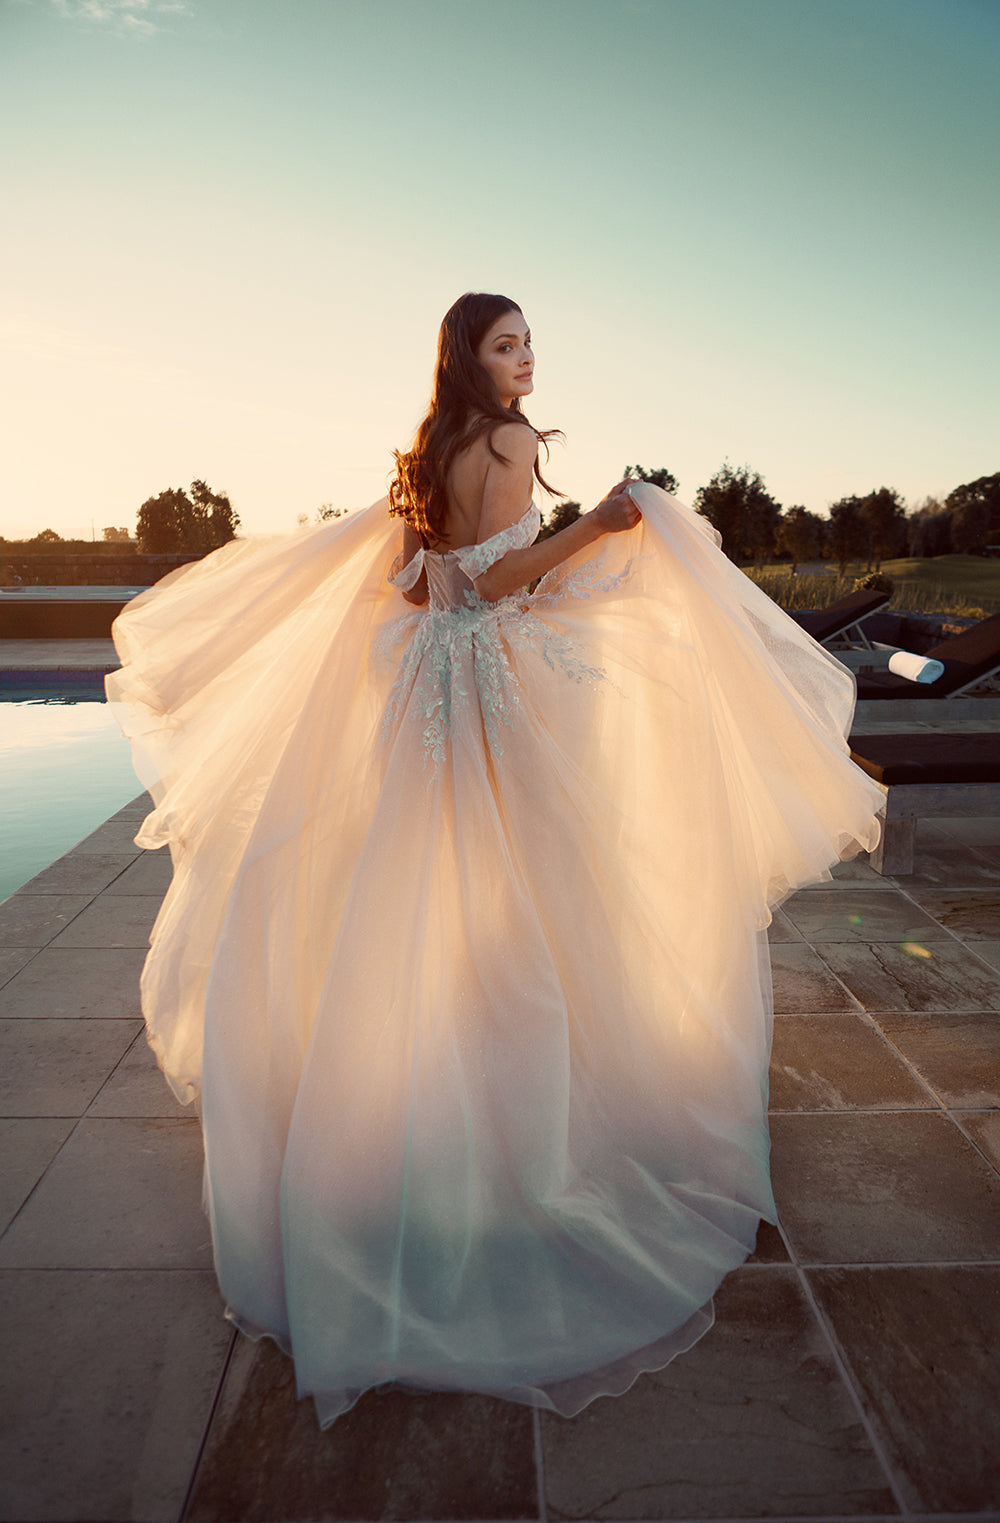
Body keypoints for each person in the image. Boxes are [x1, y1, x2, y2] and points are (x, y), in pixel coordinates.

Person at [107, 291, 884, 1426]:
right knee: (538, 887)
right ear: (470, 358)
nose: (525, 361)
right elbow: (496, 580)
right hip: (496, 688)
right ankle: (523, 1110)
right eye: (507, 345)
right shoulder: (512, 441)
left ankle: (423, 1087)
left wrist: (478, 579)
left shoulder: (430, 450)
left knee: (426, 882)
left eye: (528, 344)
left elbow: (416, 581)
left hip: (425, 685)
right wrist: (602, 527)